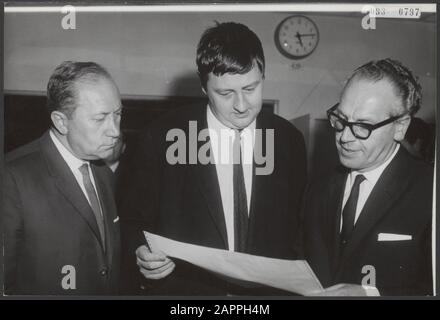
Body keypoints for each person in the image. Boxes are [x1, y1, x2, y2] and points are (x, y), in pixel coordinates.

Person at [118, 22, 307, 295]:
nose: (241, 105)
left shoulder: (289, 140)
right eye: (225, 93)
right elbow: (132, 220)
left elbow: (299, 230)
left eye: (251, 88)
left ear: (263, 75)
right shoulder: (162, 137)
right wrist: (141, 251)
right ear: (204, 88)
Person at [302, 58, 433, 296]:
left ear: (401, 127)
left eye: (363, 125)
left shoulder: (430, 190)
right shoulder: (319, 188)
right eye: (340, 119)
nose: (344, 137)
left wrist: (372, 295)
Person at [4, 61, 122, 295]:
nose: (115, 131)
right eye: (100, 119)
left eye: (118, 115)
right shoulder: (11, 178)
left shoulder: (102, 168)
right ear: (60, 121)